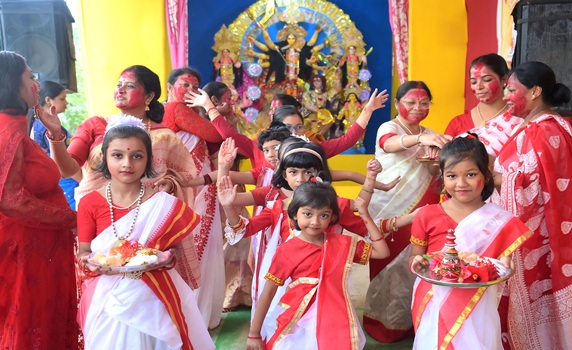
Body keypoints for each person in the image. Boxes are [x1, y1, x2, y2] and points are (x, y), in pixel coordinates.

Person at [36, 65, 202, 290]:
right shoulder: (96, 125)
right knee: (104, 283)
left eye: (130, 85)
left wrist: (169, 183)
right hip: (103, 216)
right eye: (118, 85)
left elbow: (183, 176)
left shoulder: (164, 134)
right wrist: (56, 136)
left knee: (150, 287)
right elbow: (67, 169)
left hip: (149, 220)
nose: (120, 90)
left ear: (149, 96)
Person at [76, 116, 214, 349]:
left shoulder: (163, 203)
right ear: (104, 157)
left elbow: (175, 252)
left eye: (136, 156)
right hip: (108, 296)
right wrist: (92, 263)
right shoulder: (89, 203)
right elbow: (84, 252)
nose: (127, 163)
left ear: (149, 159)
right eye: (117, 155)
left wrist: (167, 258)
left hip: (155, 294)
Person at [409, 136, 531, 350]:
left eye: (471, 174)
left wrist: (507, 267)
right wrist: (416, 262)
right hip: (434, 299)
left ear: (486, 175)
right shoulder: (426, 215)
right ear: (442, 177)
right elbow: (415, 257)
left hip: (478, 303)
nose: (461, 183)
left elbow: (503, 265)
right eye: (452, 176)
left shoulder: (500, 220)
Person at [241, 181, 390, 350]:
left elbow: (382, 252)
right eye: (308, 214)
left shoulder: (343, 244)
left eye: (324, 215)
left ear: (333, 217)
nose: (315, 221)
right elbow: (268, 293)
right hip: (299, 323)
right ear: (295, 215)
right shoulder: (287, 251)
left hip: (334, 321)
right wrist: (254, 334)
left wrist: (365, 216)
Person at [0, 51, 78, 349]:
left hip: (40, 246)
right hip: (25, 250)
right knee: (30, 328)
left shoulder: (18, 126)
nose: (36, 83)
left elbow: (63, 170)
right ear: (12, 83)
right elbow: (10, 199)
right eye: (30, 77)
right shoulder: (7, 129)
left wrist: (55, 134)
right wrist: (72, 219)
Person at [364, 81, 452, 343]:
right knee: (387, 266)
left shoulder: (431, 134)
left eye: (424, 103)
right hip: (389, 206)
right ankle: (382, 324)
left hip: (424, 206)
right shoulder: (389, 127)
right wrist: (420, 139)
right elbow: (389, 144)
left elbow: (436, 171)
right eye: (411, 102)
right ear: (397, 104)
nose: (418, 107)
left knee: (414, 266)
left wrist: (438, 159)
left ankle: (411, 321)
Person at [493, 61, 572, 350]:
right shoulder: (554, 124)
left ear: (536, 91)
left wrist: (488, 175)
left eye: (511, 90)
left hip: (538, 237)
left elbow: (528, 184)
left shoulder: (543, 130)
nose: (505, 96)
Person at [162, 68, 226, 328]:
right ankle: (194, 315)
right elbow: (215, 136)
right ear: (169, 87)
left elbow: (212, 144)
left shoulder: (185, 112)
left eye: (195, 86)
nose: (190, 90)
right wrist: (212, 110)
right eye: (184, 84)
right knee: (196, 244)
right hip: (190, 188)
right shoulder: (176, 108)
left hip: (195, 185)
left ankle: (196, 313)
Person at [186, 86, 389, 168]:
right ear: (275, 127)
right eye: (288, 128)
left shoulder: (310, 149)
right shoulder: (258, 148)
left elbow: (348, 140)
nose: (295, 133)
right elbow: (229, 133)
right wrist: (208, 107)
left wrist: (368, 110)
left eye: (299, 127)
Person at [445, 54, 521, 156]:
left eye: (487, 80)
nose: (478, 86)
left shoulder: (519, 118)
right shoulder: (457, 123)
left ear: (504, 80)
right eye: (473, 82)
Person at [28, 80, 81, 209]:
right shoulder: (49, 128)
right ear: (48, 100)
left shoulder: (38, 124)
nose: (66, 102)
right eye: (62, 98)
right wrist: (84, 182)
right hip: (67, 181)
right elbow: (61, 160)